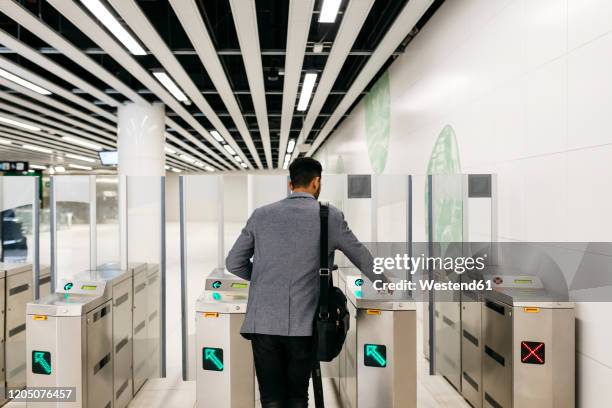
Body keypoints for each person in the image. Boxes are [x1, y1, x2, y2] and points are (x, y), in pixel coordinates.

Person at [226, 157, 381, 408]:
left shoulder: (261, 215)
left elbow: (234, 262)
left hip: (262, 323)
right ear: (316, 181)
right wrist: (384, 282)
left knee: (271, 397)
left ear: (290, 184)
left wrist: (265, 279)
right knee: (298, 395)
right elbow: (361, 255)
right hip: (305, 324)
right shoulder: (329, 216)